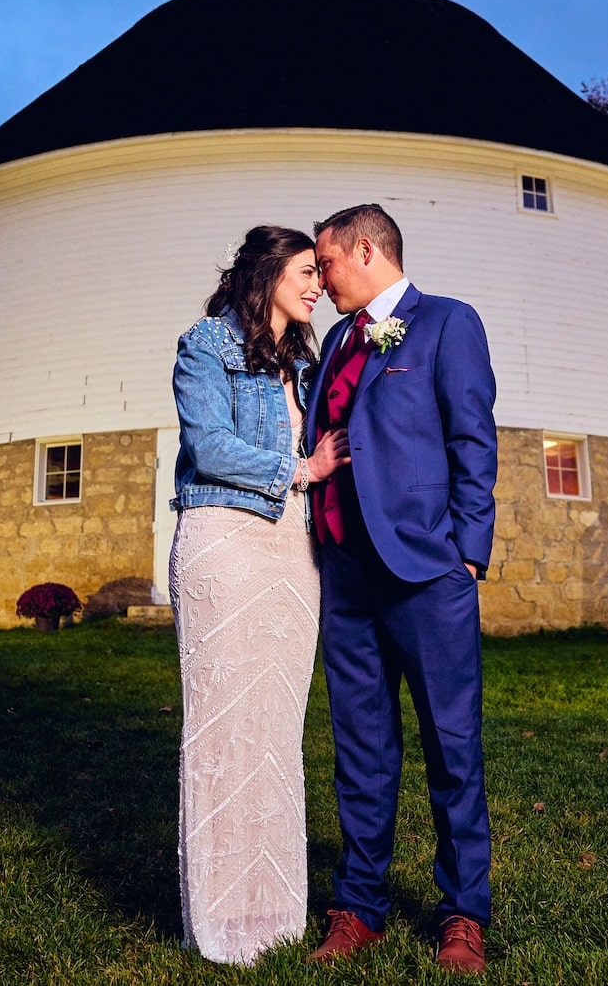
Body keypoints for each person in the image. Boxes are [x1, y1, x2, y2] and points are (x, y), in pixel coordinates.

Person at [304, 204, 498, 975]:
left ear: (365, 249)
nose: (320, 277)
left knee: (452, 747)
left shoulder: (447, 323)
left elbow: (472, 439)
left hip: (427, 573)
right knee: (360, 748)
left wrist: (467, 556)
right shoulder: (334, 342)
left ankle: (463, 912)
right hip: (346, 577)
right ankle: (359, 906)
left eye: (326, 261)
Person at [167, 225, 351, 966]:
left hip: (291, 552)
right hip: (225, 540)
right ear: (268, 272)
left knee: (274, 733)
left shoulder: (303, 363)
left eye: (320, 275)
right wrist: (302, 469)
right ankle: (219, 913)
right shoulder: (206, 344)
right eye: (306, 272)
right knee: (222, 727)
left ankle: (271, 909)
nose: (317, 287)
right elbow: (207, 445)